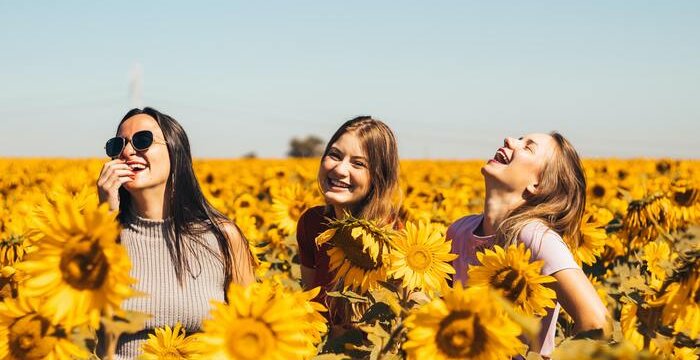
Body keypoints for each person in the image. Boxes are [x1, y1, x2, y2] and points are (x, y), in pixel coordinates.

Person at [96, 107, 255, 358]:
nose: (127, 151)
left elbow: (253, 329)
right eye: (118, 145)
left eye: (142, 140)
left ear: (174, 151)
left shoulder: (222, 237)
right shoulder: (100, 237)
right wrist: (103, 218)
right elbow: (75, 322)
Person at [447, 132, 609, 356]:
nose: (509, 140)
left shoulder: (535, 237)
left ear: (538, 184)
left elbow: (597, 322)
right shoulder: (459, 231)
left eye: (527, 147)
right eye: (518, 139)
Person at [296, 116, 402, 322]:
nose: (339, 169)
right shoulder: (312, 223)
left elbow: (398, 315)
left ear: (378, 177)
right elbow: (310, 303)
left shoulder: (394, 236)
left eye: (358, 163)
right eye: (334, 155)